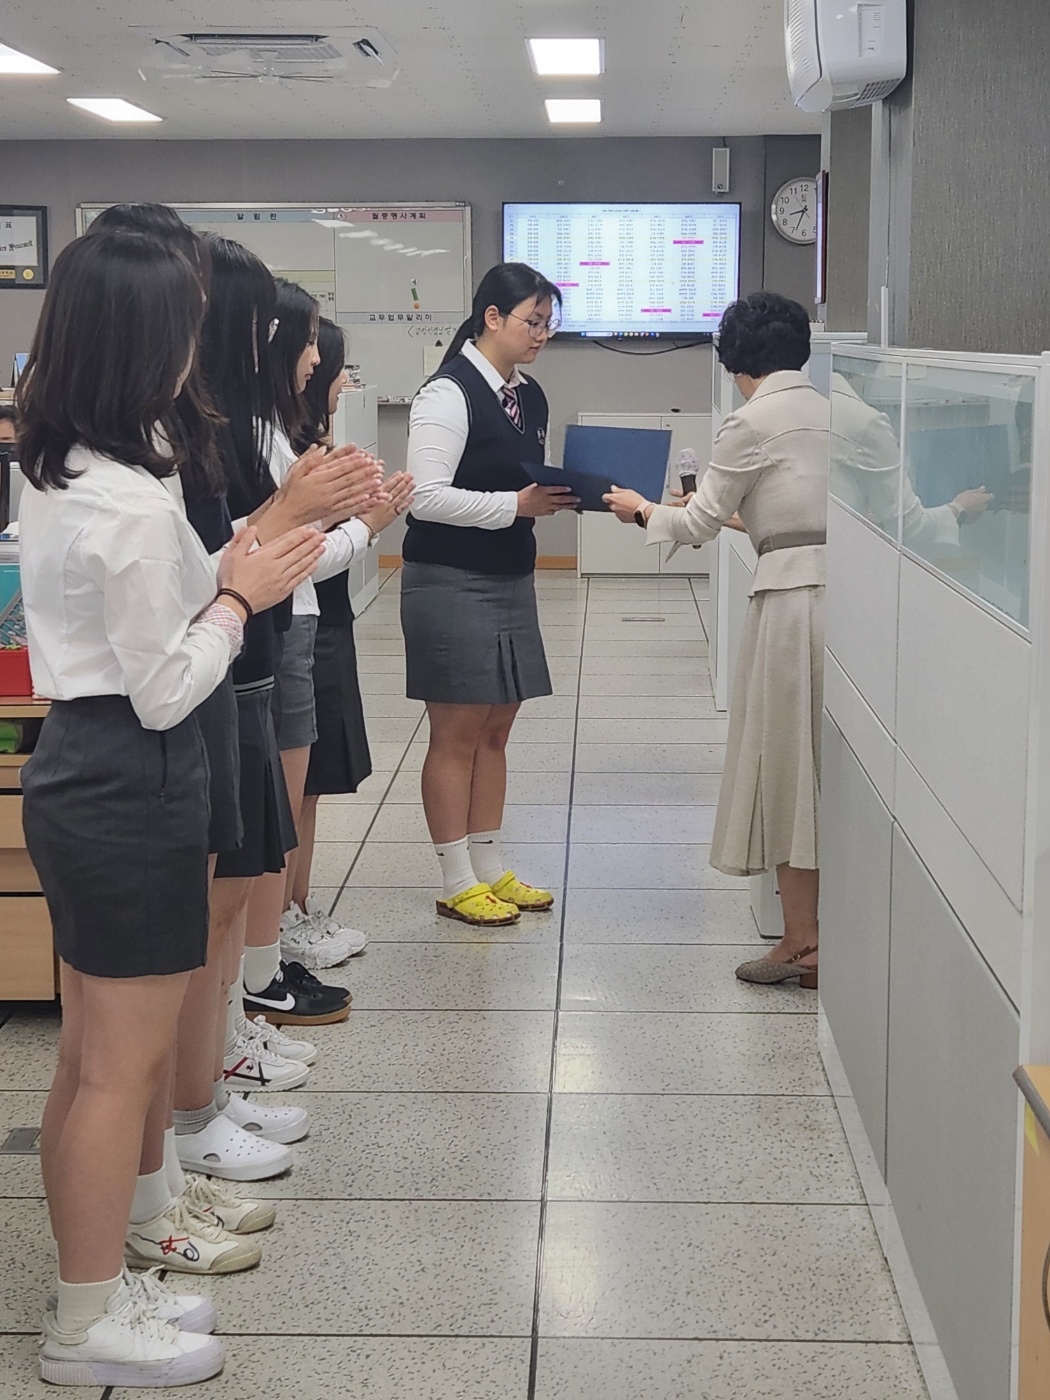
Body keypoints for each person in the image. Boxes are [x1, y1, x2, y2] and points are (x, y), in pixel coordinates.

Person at [15, 226, 325, 1387]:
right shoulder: (131, 503)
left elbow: (169, 602)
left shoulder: (70, 468)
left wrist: (243, 562)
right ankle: (84, 1321)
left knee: (93, 1057)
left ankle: (102, 1276)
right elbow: (165, 686)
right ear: (145, 344)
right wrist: (241, 600)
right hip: (129, 771)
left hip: (82, 765)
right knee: (116, 1070)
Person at [606, 291, 827, 988]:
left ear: (735, 362)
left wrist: (641, 510)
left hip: (792, 607)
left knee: (789, 769)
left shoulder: (750, 421)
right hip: (856, 605)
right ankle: (833, 935)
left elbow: (696, 522)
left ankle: (804, 942)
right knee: (838, 771)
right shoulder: (841, 413)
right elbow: (799, 516)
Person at [401, 261, 578, 927]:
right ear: (493, 317)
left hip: (510, 574)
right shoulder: (447, 393)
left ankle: (490, 865)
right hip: (449, 578)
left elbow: (523, 477)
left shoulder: (529, 395)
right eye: (533, 321)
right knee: (457, 731)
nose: (541, 335)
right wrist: (515, 505)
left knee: (498, 727)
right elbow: (425, 497)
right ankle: (456, 879)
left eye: (549, 324)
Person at [285, 317, 415, 961]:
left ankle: (296, 909)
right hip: (298, 627)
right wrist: (369, 522)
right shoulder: (280, 446)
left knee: (308, 784)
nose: (333, 374)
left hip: (323, 619)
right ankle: (281, 923)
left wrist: (356, 510)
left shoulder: (311, 441)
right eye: (327, 361)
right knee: (292, 788)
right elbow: (299, 555)